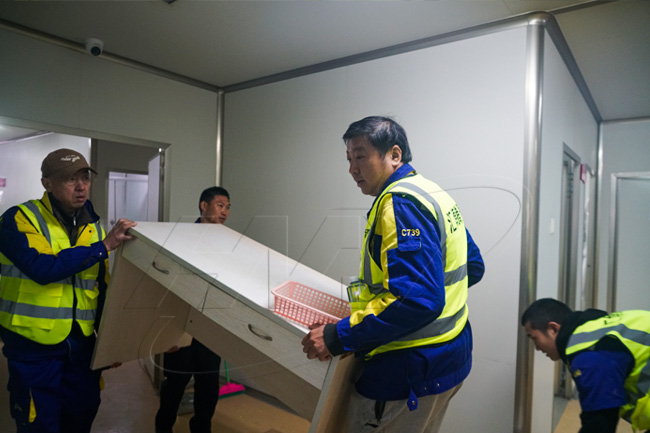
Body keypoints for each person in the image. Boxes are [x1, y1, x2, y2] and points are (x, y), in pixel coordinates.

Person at [301, 116, 485, 432]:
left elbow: (417, 301)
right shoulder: (432, 192)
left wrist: (338, 336)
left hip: (407, 371)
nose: (352, 169)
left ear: (394, 155)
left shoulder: (401, 205)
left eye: (360, 156)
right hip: (451, 356)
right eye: (349, 159)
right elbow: (474, 266)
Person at [0, 148, 136, 433]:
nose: (81, 186)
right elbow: (42, 268)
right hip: (33, 346)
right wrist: (103, 247)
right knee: (39, 424)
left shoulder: (93, 226)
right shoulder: (19, 219)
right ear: (47, 183)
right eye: (70, 179)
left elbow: (101, 286)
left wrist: (111, 342)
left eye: (85, 177)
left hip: (81, 347)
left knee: (81, 416)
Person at [155, 186, 231, 433]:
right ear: (203, 206)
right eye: (220, 205)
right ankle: (163, 428)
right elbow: (168, 287)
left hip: (210, 325)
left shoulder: (229, 244)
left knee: (208, 386)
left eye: (228, 207)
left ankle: (201, 429)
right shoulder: (182, 239)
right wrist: (168, 331)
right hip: (182, 325)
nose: (225, 212)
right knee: (175, 384)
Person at [521, 298, 650, 433]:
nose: (537, 348)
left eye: (534, 338)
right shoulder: (595, 332)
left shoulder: (588, 353)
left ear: (553, 329)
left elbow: (599, 423)